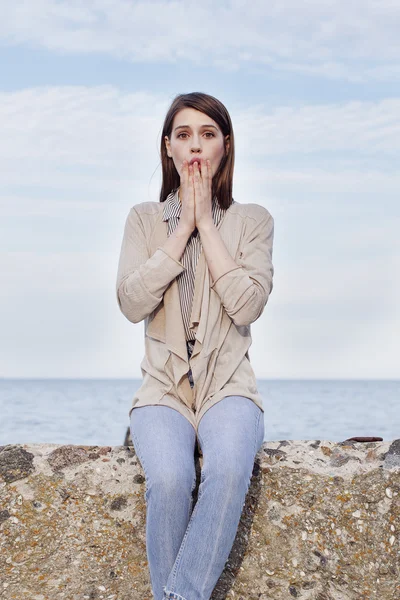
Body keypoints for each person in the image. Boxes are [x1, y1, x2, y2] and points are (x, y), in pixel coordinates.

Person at [116, 92, 274, 600]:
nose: (196, 147)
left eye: (208, 134)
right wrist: (182, 223)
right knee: (168, 480)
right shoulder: (143, 220)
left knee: (227, 469)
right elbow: (131, 301)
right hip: (162, 391)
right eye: (183, 135)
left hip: (229, 387)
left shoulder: (252, 220)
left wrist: (206, 223)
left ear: (225, 146)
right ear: (168, 149)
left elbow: (248, 306)